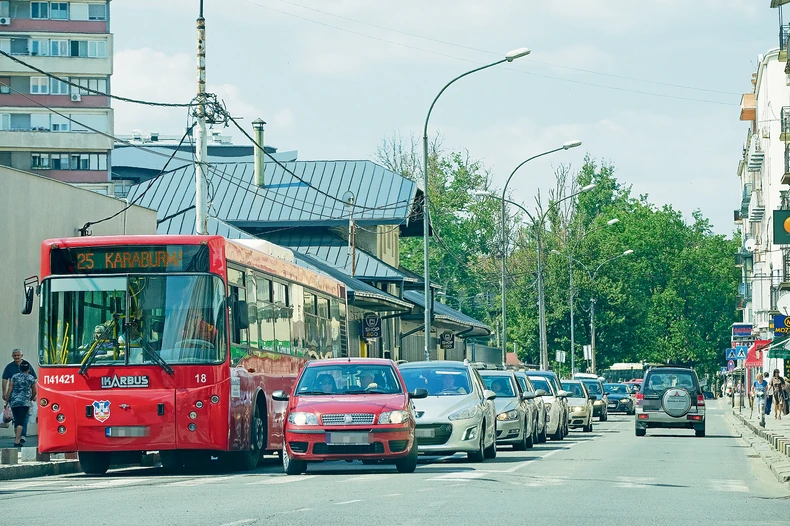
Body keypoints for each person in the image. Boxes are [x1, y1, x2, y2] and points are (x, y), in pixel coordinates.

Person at [2, 349, 37, 443]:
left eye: (18, 355)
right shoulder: (30, 377)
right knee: (22, 419)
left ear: (21, 355)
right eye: (15, 355)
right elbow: (34, 388)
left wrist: (7, 400)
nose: (16, 357)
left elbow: (10, 388)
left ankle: (19, 436)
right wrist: (32, 396)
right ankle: (20, 437)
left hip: (14, 400)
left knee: (17, 419)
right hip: (25, 401)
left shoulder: (14, 377)